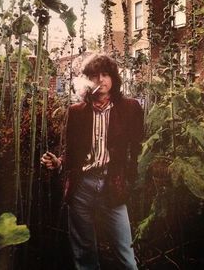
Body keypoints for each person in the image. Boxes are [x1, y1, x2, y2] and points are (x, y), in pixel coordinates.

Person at [41, 54, 144, 270]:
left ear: (114, 78)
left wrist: (130, 180)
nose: (101, 80)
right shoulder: (77, 112)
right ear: (88, 81)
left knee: (126, 253)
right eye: (95, 76)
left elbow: (137, 148)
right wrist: (58, 163)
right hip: (82, 188)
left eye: (106, 74)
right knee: (84, 256)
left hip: (112, 184)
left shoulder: (130, 108)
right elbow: (72, 153)